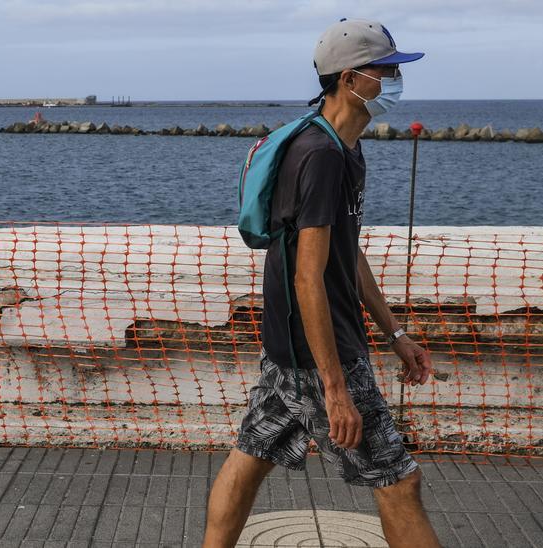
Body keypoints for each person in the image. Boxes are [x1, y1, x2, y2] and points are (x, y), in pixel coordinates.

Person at [203, 18, 440, 548]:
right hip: (321, 353)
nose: (393, 81)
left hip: (292, 348)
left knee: (251, 456)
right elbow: (308, 276)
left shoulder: (341, 146)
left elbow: (346, 250)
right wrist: (335, 389)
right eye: (386, 70)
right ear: (350, 78)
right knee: (401, 484)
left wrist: (395, 334)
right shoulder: (322, 156)